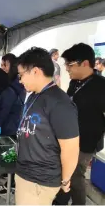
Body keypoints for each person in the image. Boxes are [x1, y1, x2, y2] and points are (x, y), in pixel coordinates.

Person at [15, 47, 79, 205]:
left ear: (35, 71)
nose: (20, 80)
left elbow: (70, 149)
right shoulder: (35, 96)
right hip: (26, 174)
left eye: (21, 75)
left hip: (40, 181)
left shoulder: (59, 103)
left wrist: (65, 182)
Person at [53, 43, 105, 205]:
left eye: (70, 64)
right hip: (69, 137)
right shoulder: (75, 82)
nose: (67, 69)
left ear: (85, 64)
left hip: (87, 141)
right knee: (65, 172)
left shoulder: (100, 85)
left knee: (75, 176)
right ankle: (61, 200)